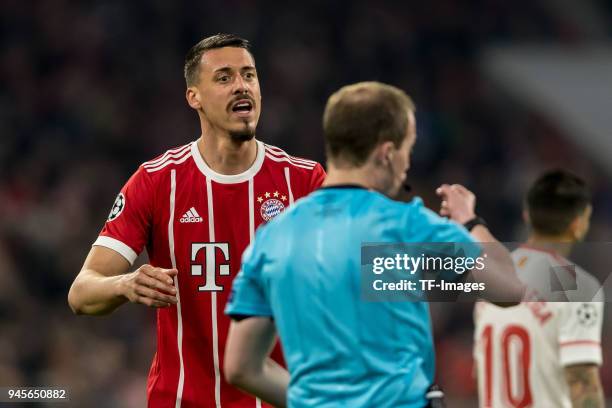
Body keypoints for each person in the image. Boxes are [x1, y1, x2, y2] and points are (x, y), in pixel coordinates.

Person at [222, 81, 524, 407]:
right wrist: (470, 222)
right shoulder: (409, 229)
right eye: (408, 149)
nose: (408, 164)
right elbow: (509, 288)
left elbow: (242, 368)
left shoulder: (272, 238)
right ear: (387, 153)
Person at [67, 34, 325, 407]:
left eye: (249, 75)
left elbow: (372, 268)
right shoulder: (156, 182)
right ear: (194, 97)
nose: (241, 86)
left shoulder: (303, 181)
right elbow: (81, 293)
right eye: (224, 77)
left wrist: (441, 259)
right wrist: (127, 283)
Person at [473, 170, 605, 408]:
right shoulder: (577, 286)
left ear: (527, 216)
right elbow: (582, 383)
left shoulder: (492, 277)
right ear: (578, 224)